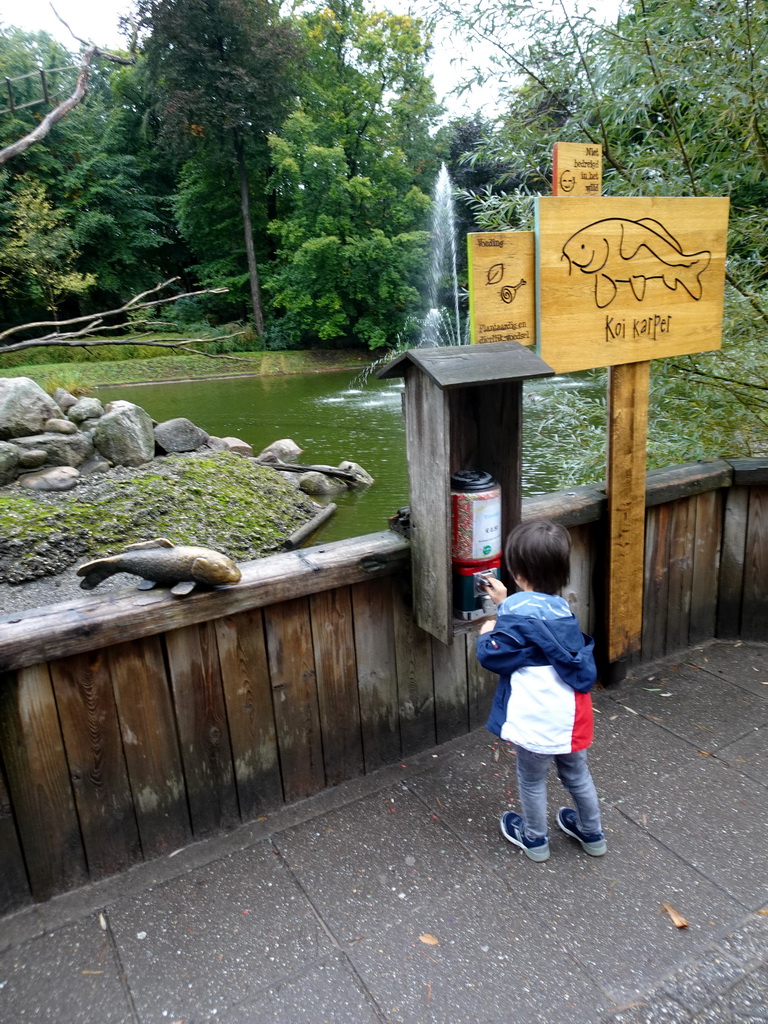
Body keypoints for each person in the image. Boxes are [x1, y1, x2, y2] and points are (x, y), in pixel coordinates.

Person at [476, 519, 606, 863]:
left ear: (517, 572)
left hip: (536, 717)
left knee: (532, 781)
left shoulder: (513, 614)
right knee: (577, 774)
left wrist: (488, 627)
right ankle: (592, 834)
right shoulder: (563, 612)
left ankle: (534, 839)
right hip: (572, 715)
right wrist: (507, 603)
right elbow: (536, 626)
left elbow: (493, 654)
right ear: (561, 573)